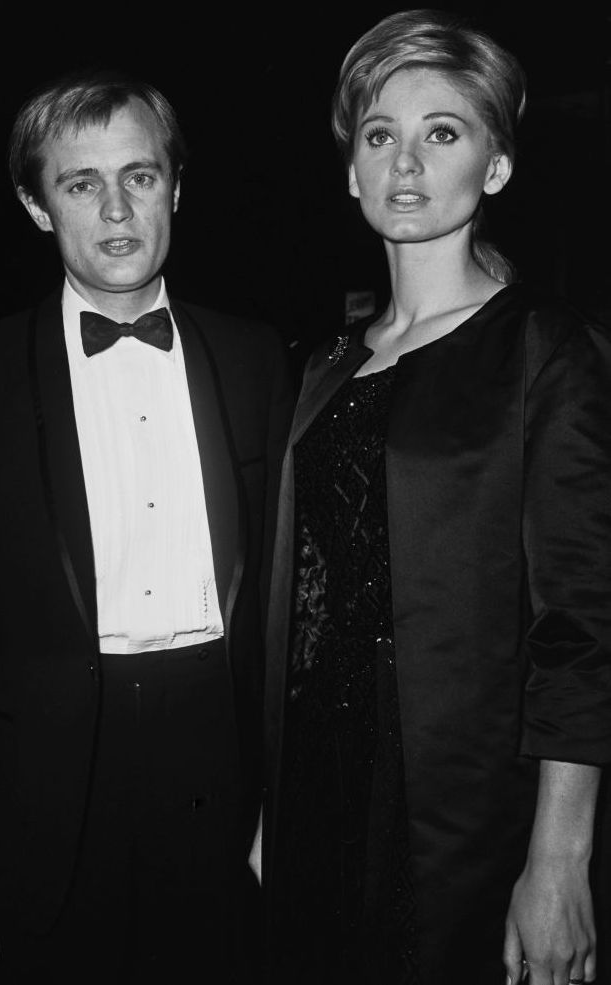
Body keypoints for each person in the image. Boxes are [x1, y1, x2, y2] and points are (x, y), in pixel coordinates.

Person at [0, 70, 292, 983]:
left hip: (217, 764)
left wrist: (281, 798)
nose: (116, 207)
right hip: (41, 779)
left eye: (140, 176)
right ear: (39, 207)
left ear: (177, 189)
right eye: (81, 183)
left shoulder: (257, 359)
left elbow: (286, 603)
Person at [253, 10, 611, 985]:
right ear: (350, 170)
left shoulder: (546, 352)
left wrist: (559, 859)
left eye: (442, 132)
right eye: (379, 136)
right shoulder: (326, 363)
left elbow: (579, 628)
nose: (405, 161)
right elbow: (296, 597)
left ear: (494, 166)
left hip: (457, 799)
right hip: (316, 784)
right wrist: (267, 806)